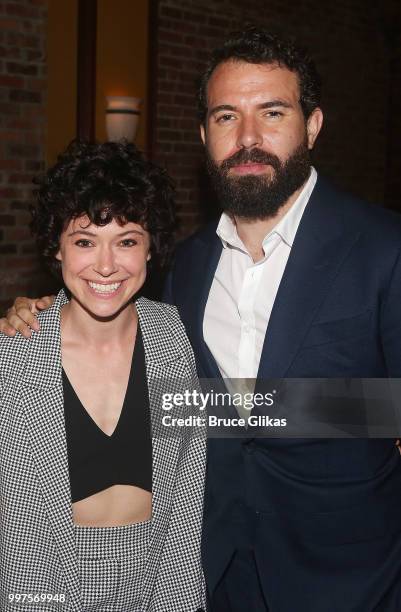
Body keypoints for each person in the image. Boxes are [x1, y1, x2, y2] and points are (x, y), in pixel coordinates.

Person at [3, 27, 401, 612]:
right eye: (224, 117)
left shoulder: (385, 247)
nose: (247, 138)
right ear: (203, 135)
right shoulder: (186, 267)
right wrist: (33, 309)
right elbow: (180, 403)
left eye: (271, 112)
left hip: (348, 579)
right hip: (212, 573)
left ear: (312, 124)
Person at [0, 140, 206, 612]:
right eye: (85, 241)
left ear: (152, 248)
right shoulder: (13, 356)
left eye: (127, 241)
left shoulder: (172, 338)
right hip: (43, 588)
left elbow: (186, 497)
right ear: (57, 248)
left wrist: (383, 413)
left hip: (157, 584)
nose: (107, 265)